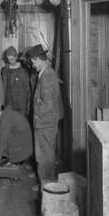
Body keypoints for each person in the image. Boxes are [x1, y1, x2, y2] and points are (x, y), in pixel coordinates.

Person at [27, 44, 64, 187]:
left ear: (38, 59)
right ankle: (44, 182)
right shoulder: (46, 73)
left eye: (32, 61)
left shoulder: (47, 76)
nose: (32, 64)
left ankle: (48, 186)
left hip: (45, 122)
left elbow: (47, 104)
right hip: (46, 122)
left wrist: (36, 114)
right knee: (43, 154)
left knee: (45, 156)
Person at [0, 105, 33, 179]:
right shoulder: (7, 114)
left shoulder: (5, 120)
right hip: (26, 147)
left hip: (23, 150)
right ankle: (15, 159)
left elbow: (1, 143)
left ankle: (16, 160)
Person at [1, 46, 31, 118]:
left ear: (16, 57)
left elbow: (27, 90)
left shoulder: (23, 71)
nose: (11, 61)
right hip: (9, 103)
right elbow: (3, 88)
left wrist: (27, 106)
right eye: (9, 59)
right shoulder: (5, 71)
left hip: (21, 104)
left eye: (13, 59)